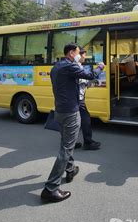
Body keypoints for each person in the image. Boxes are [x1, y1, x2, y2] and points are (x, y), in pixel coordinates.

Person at [41, 43, 105, 203]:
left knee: (66, 142)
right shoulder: (70, 66)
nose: (81, 55)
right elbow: (90, 76)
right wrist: (100, 67)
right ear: (71, 53)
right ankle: (51, 188)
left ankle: (70, 169)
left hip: (61, 110)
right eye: (79, 53)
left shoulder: (57, 66)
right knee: (66, 148)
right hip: (70, 111)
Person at [75, 47, 101, 150]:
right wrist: (99, 69)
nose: (85, 57)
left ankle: (72, 142)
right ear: (78, 55)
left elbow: (82, 81)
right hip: (77, 99)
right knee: (85, 119)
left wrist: (90, 82)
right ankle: (88, 142)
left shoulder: (79, 66)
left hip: (77, 98)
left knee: (75, 121)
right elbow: (81, 79)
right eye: (84, 55)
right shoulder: (76, 66)